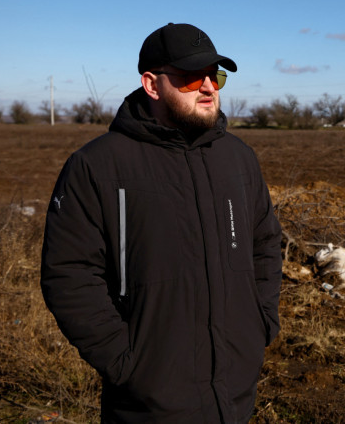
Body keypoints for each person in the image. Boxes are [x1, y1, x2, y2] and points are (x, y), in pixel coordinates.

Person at [41, 23, 283, 423]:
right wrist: (126, 362)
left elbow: (264, 244)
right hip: (147, 407)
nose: (208, 87)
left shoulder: (239, 160)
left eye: (215, 75)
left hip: (235, 398)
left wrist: (260, 325)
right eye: (191, 77)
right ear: (152, 85)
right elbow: (68, 274)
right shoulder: (97, 167)